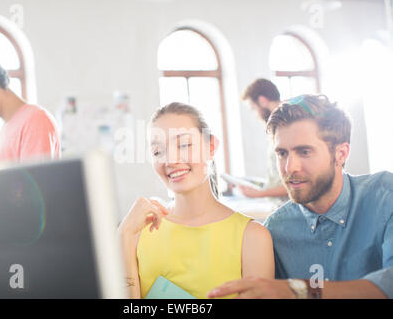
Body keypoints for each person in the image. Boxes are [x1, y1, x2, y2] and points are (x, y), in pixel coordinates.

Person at [208, 94, 392, 299]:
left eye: (304, 152)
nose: (290, 168)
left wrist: (299, 290)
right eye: (282, 153)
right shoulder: (275, 230)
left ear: (341, 153)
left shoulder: (385, 196)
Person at [118, 102, 274, 299]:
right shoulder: (137, 233)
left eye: (183, 145)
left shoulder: (252, 237)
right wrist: (123, 235)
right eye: (158, 152)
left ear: (211, 147)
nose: (170, 160)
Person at [239, 78, 288, 206]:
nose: (256, 115)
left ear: (262, 101)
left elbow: (297, 181)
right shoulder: (276, 127)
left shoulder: (287, 127)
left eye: (253, 108)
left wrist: (259, 194)